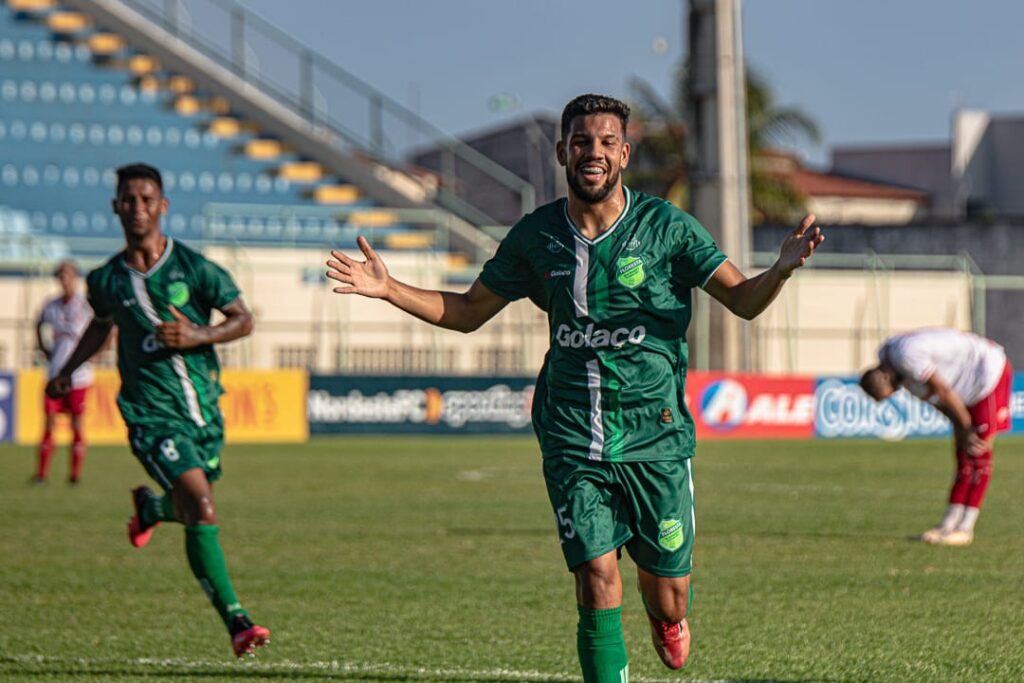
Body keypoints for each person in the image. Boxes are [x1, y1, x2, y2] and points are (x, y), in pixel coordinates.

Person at [326, 94, 823, 682]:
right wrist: (391, 289)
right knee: (595, 574)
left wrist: (781, 270)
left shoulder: (666, 229)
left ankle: (666, 615)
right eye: (583, 141)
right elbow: (466, 312)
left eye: (607, 143)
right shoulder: (537, 237)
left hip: (655, 438)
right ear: (563, 151)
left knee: (670, 593)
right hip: (570, 433)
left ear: (624, 155)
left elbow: (742, 301)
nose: (594, 152)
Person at [45, 163, 270, 658]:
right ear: (115, 207)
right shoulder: (105, 279)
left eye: (147, 199)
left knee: (194, 500)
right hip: (149, 413)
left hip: (203, 409)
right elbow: (102, 327)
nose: (137, 208)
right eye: (128, 199)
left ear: (163, 206)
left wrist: (199, 334)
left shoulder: (195, 267)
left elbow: (243, 320)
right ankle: (238, 621)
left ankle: (151, 507)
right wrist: (67, 369)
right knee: (203, 506)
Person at [860, 328, 1012, 546]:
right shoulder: (894, 363)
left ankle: (965, 528)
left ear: (885, 376)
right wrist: (960, 428)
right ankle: (948, 524)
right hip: (966, 387)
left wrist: (967, 427)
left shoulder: (907, 357)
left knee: (979, 450)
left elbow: (942, 390)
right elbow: (937, 400)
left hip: (987, 374)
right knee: (962, 453)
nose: (896, 392)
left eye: (891, 390)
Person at [33, 260, 97, 484]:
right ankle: (42, 474)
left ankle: (75, 475)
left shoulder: (86, 305)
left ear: (75, 278)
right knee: (49, 422)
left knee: (77, 423)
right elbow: (37, 324)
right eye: (60, 276)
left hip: (79, 376)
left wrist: (97, 354)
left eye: (67, 275)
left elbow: (107, 328)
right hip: (55, 373)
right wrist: (43, 348)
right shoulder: (51, 305)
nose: (64, 280)